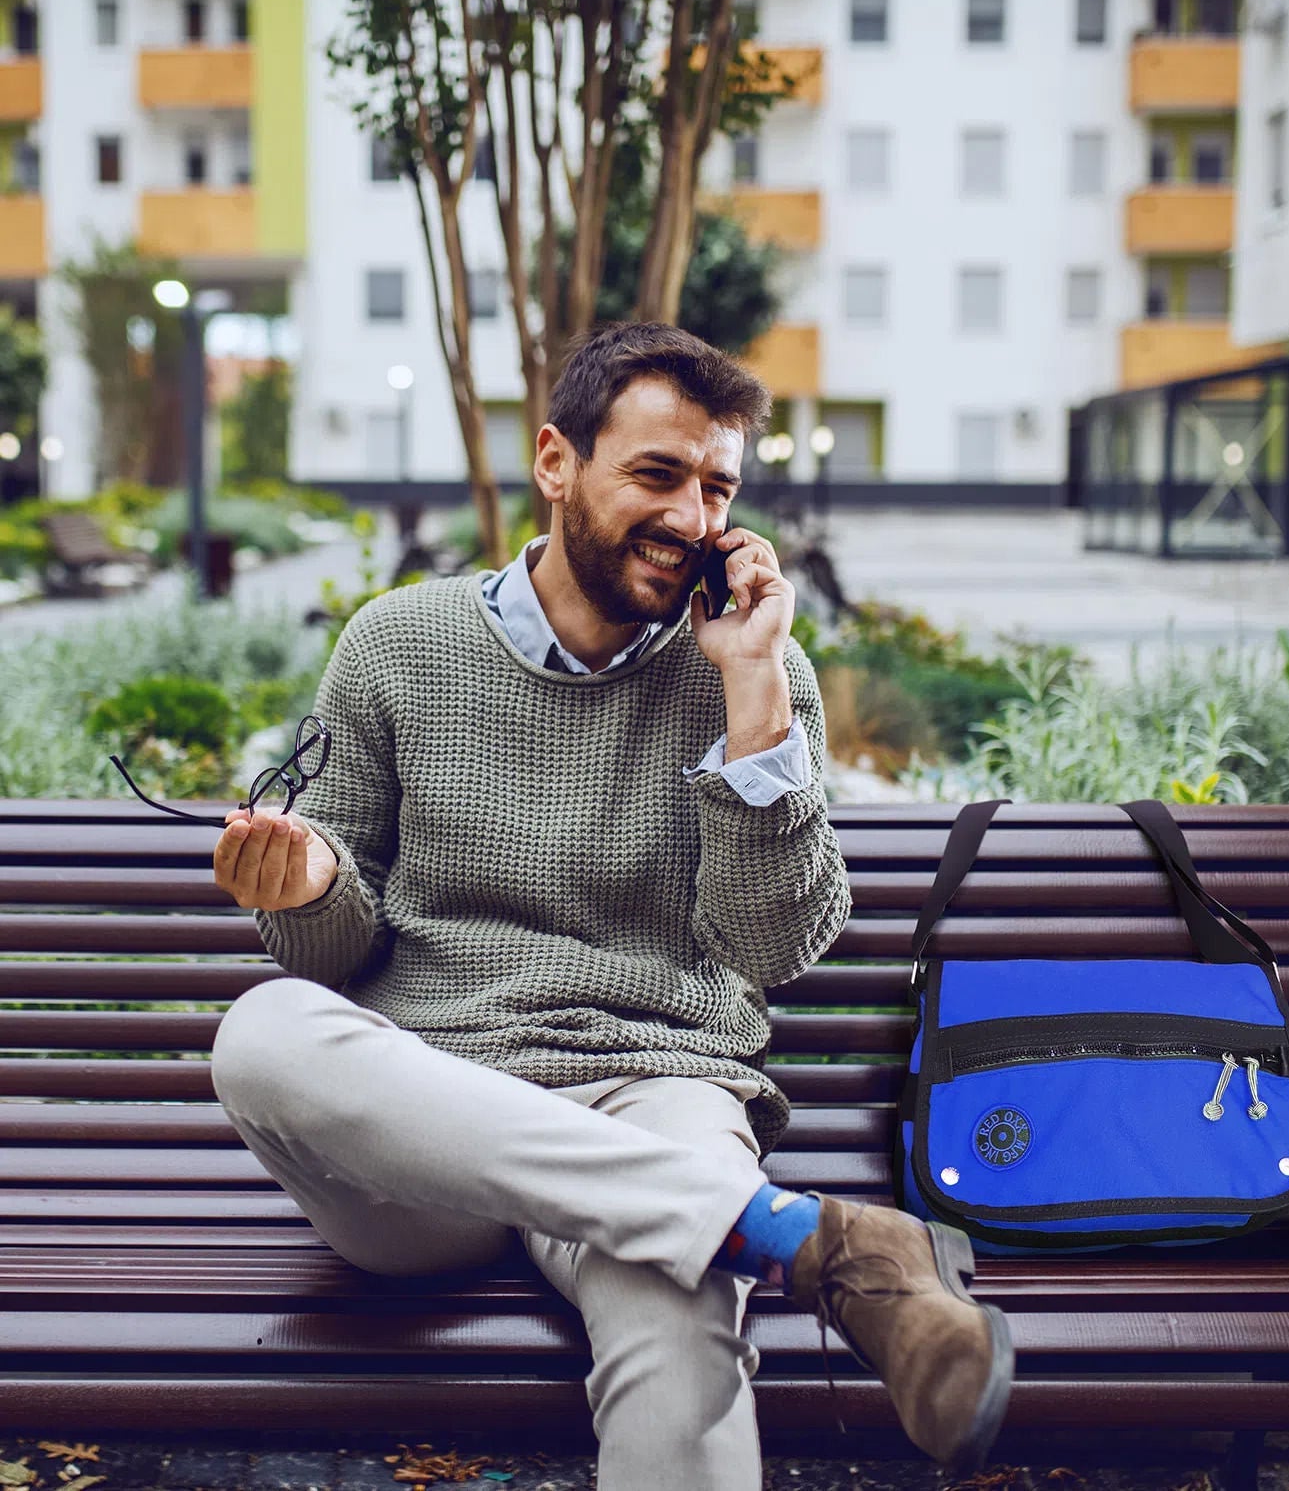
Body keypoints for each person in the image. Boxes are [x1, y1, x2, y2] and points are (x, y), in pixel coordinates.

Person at [208, 322, 1012, 1489]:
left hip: (656, 1093)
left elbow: (772, 946)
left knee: (681, 1326)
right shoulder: (397, 645)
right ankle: (809, 1242)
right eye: (656, 475)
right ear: (555, 464)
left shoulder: (754, 669)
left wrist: (750, 699)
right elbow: (330, 956)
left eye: (716, 486)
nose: (692, 518)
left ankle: (750, 1228)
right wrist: (317, 885)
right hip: (429, 1125)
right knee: (264, 1032)